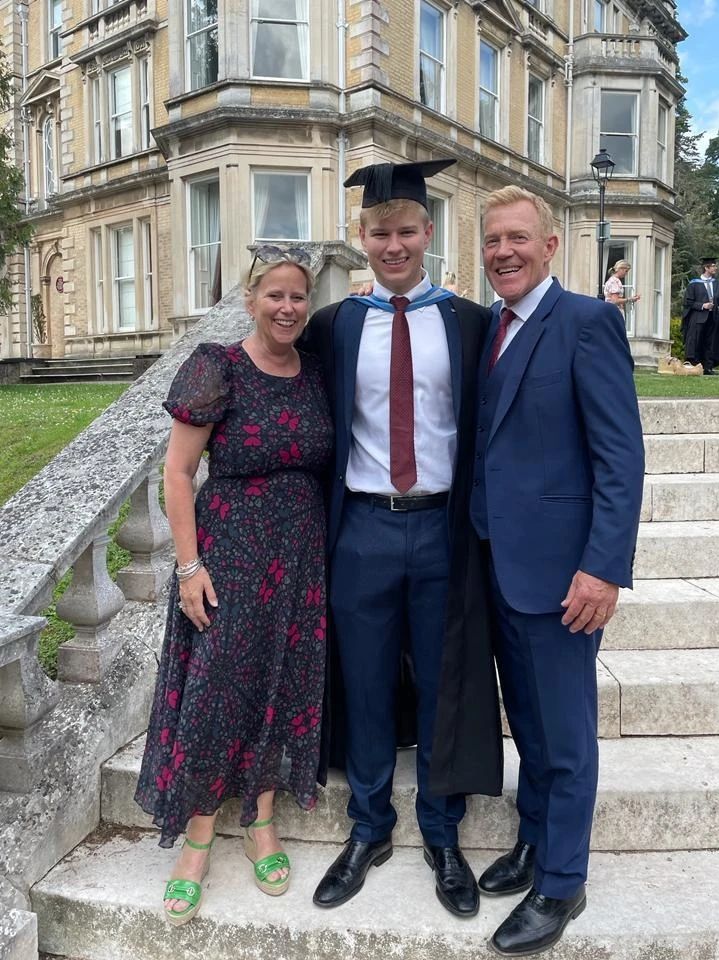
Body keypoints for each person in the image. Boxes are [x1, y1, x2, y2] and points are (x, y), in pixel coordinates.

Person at [303, 160, 503, 917]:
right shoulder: (336, 323)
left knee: (448, 680)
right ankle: (368, 826)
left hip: (443, 526)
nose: (394, 245)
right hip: (362, 528)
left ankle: (442, 833)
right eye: (380, 232)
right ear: (363, 238)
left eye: (407, 231)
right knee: (365, 677)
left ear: (428, 234)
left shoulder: (469, 322)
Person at [135, 248, 333, 925]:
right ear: (250, 299)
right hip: (230, 557)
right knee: (217, 692)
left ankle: (261, 821)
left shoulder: (316, 373)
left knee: (284, 686)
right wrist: (189, 567)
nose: (287, 308)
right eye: (274, 295)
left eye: (297, 297)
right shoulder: (218, 367)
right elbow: (177, 475)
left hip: (301, 563)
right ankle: (195, 839)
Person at [471, 185, 644, 956]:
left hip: (564, 576)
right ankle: (535, 840)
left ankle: (562, 882)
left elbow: (620, 457)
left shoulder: (586, 322)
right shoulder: (493, 331)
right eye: (491, 240)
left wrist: (602, 568)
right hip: (499, 567)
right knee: (532, 727)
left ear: (550, 246)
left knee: (567, 735)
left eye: (516, 238)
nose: (502, 251)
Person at [682, 257, 719, 375]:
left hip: (713, 317)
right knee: (696, 341)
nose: (715, 268)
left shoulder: (717, 283)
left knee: (711, 342)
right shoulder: (694, 284)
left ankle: (708, 367)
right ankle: (695, 365)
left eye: (715, 266)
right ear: (706, 268)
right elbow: (688, 302)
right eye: (713, 266)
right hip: (698, 317)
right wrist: (703, 305)